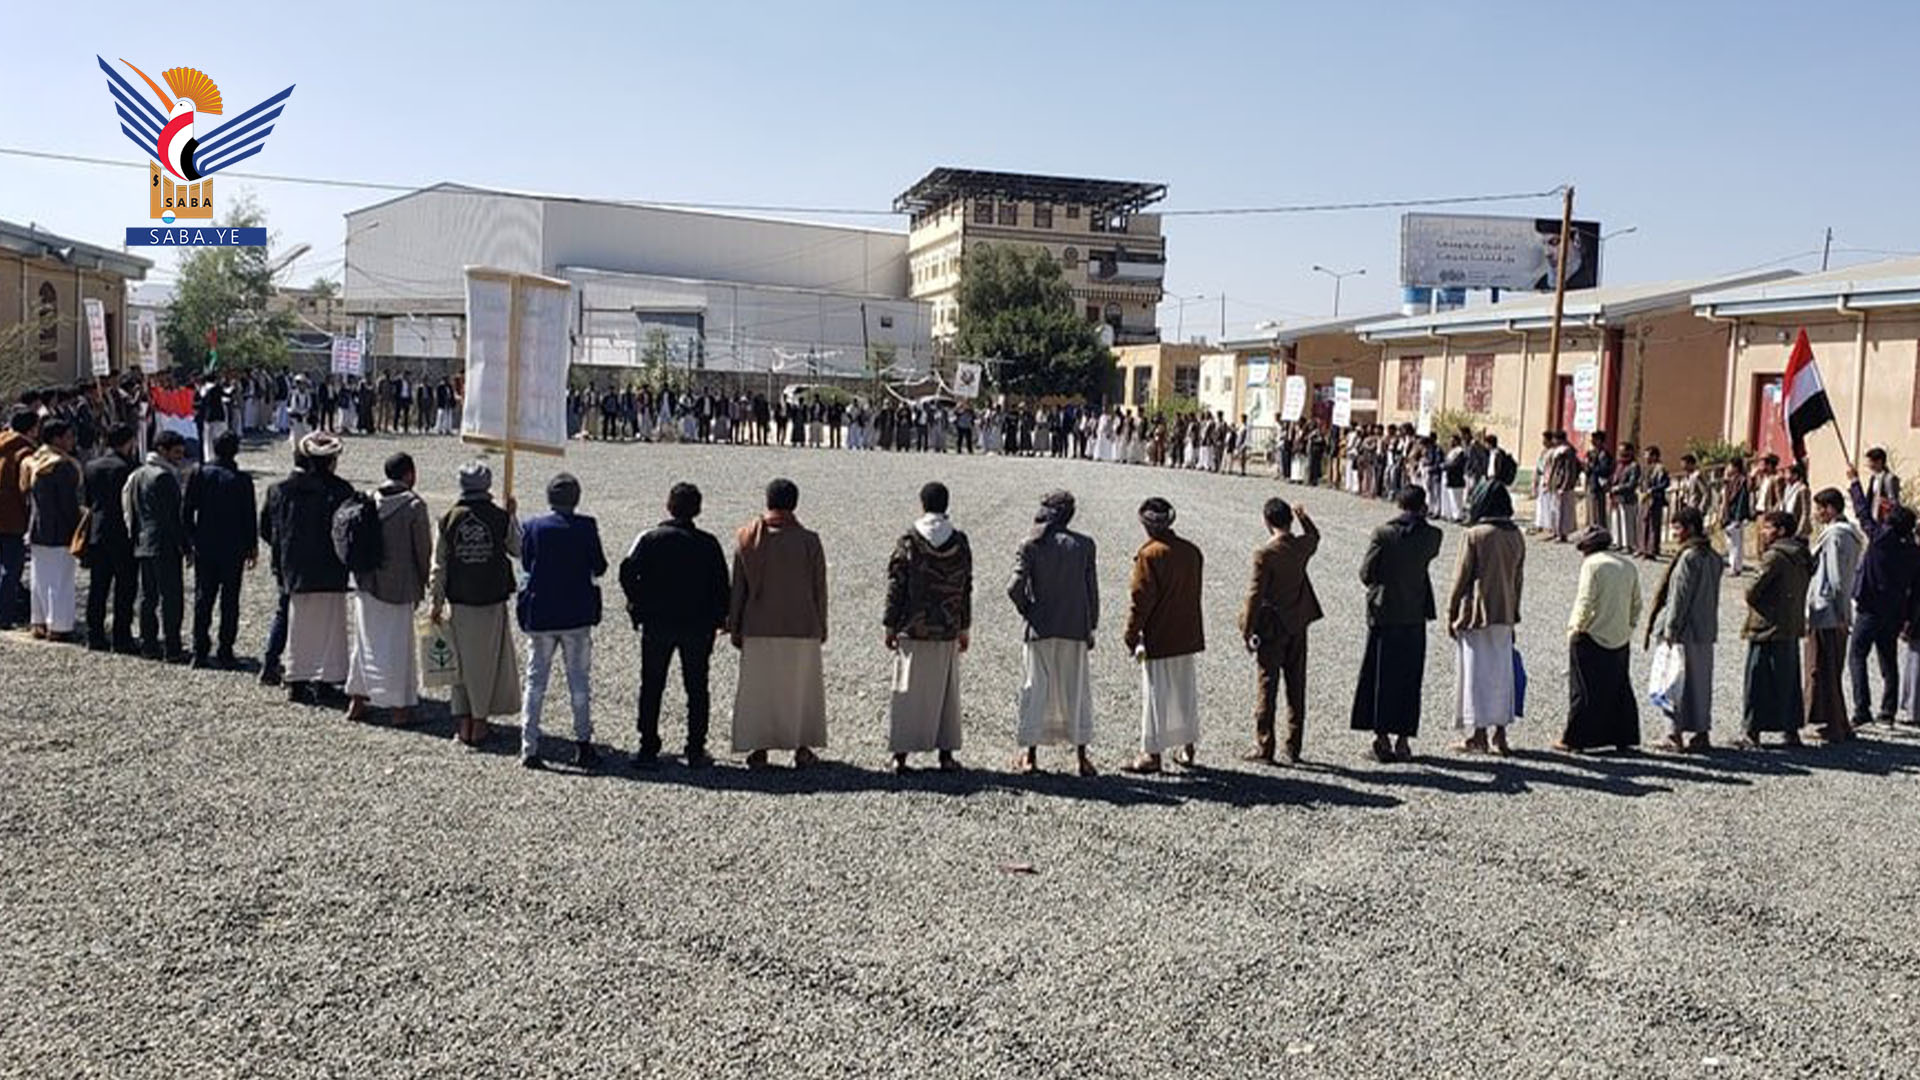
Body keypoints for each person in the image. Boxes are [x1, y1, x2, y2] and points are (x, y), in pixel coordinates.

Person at [622, 482, 730, 769]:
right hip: (697, 624)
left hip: (658, 622)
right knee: (697, 687)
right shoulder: (708, 543)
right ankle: (695, 748)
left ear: (669, 506)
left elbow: (627, 572)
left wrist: (637, 604)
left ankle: (647, 746)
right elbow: (722, 585)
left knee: (652, 684)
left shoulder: (650, 539)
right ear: (698, 510)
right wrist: (720, 617)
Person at [728, 478, 829, 769]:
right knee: (800, 690)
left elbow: (738, 588)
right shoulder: (809, 541)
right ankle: (802, 748)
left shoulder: (748, 538)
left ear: (768, 501)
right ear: (794, 504)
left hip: (758, 625)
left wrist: (735, 625)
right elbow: (819, 588)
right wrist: (821, 625)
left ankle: (759, 749)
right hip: (802, 625)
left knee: (760, 690)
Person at [517, 473, 607, 770]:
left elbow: (526, 562)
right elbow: (599, 566)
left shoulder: (532, 526)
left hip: (541, 612)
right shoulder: (586, 526)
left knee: (535, 681)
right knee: (578, 681)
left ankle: (529, 745)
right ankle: (583, 742)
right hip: (576, 613)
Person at [882, 481, 973, 774]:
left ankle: (901, 756)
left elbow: (896, 585)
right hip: (946, 626)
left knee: (907, 692)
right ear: (946, 505)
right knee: (946, 694)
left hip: (913, 626)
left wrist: (889, 624)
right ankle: (945, 755)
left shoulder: (909, 540)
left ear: (922, 504)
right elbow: (966, 586)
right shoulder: (959, 541)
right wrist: (964, 626)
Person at [1007, 491, 1100, 775]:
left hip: (1041, 628)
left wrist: (1028, 610)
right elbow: (1091, 590)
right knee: (1076, 690)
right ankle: (1081, 758)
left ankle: (1031, 755)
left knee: (1036, 689)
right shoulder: (1084, 545)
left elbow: (1014, 587)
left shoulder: (1031, 543)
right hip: (1075, 627)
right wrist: (1091, 626)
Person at [430, 462, 522, 749]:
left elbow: (439, 564)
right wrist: (512, 516)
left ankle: (464, 724)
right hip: (490, 600)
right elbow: (519, 548)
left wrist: (436, 600)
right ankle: (480, 724)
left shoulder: (448, 518)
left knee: (459, 664)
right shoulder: (499, 518)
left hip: (459, 601)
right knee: (485, 663)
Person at [1352, 487, 1443, 762]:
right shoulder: (1432, 536)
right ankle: (1403, 740)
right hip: (1414, 613)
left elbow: (1366, 573)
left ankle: (1381, 739)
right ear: (1423, 506)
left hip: (1386, 611)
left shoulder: (1383, 534)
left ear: (1399, 503)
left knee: (1380, 676)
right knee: (1409, 678)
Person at [344, 452, 433, 726]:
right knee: (397, 647)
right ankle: (399, 708)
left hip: (366, 583)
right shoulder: (414, 506)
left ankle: (357, 700)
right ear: (409, 474)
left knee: (365, 643)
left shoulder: (369, 499)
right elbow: (423, 549)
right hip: (399, 585)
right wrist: (427, 580)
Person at [1122, 497, 1205, 774]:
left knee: (1156, 695)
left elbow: (1140, 600)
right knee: (1184, 692)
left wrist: (1131, 634)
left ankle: (1152, 753)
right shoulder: (1192, 551)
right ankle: (1188, 747)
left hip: (1159, 634)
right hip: (1187, 632)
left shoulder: (1150, 555)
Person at [1238, 496, 1321, 764]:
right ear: (1289, 520)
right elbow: (1315, 536)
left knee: (1267, 684)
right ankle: (1293, 746)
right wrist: (1303, 517)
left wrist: (1247, 628)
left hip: (1272, 627)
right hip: (1297, 622)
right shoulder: (1300, 546)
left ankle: (1265, 745)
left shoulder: (1265, 554)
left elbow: (1254, 594)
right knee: (1296, 685)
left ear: (1266, 521)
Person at [275, 433, 355, 704]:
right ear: (332, 461)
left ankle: (297, 679)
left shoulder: (286, 489)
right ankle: (326, 681)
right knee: (331, 630)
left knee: (299, 627)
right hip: (331, 567)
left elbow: (272, 528)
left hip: (297, 567)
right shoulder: (342, 490)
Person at [1447, 482, 1525, 754]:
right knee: (1502, 674)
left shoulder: (1475, 534)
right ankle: (1500, 735)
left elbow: (1461, 578)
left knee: (1476, 674)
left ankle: (1478, 735)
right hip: (1505, 613)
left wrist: (1451, 612)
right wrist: (1514, 612)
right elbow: (1518, 580)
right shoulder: (1516, 535)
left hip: (1476, 614)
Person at [1845, 471, 1920, 732]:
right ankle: (1887, 712)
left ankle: (1862, 709)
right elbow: (1916, 589)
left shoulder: (1879, 540)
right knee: (1888, 661)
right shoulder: (1914, 552)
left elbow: (1863, 514)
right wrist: (1909, 618)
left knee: (1857, 656)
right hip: (1895, 611)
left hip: (1870, 608)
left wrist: (1854, 484)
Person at [1645, 507, 1725, 752]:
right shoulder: (1714, 557)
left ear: (1690, 528)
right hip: (1705, 629)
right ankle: (1701, 733)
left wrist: (1670, 629)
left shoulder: (1689, 557)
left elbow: (1679, 597)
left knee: (1672, 682)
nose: (1675, 533)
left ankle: (1673, 734)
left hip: (1683, 631)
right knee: (1700, 684)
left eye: (1678, 528)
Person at [1556, 527, 1642, 753]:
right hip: (1620, 635)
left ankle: (1575, 739)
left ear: (1587, 547)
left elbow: (1586, 601)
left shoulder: (1592, 565)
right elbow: (1636, 603)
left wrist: (1576, 628)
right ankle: (1623, 737)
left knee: (1584, 690)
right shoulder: (1628, 565)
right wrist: (1629, 626)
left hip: (1591, 634)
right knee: (1619, 688)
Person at [182, 430, 257, 668]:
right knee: (229, 600)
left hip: (205, 544)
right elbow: (249, 516)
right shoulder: (242, 480)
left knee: (203, 598)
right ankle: (225, 650)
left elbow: (186, 510)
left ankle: (199, 650)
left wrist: (191, 538)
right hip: (233, 547)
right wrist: (251, 546)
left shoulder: (200, 473)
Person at [1740, 510, 1813, 748]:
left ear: (1781, 531)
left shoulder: (1774, 557)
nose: (1763, 532)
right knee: (1788, 680)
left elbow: (1753, 591)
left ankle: (1752, 731)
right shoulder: (1802, 556)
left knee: (1757, 679)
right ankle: (1790, 730)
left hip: (1767, 625)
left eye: (1768, 527)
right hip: (1790, 624)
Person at [124, 429, 191, 661]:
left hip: (143, 541)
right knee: (171, 598)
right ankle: (172, 647)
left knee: (148, 596)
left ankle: (149, 643)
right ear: (162, 450)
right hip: (164, 543)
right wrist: (185, 545)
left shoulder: (139, 473)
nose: (180, 458)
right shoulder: (164, 477)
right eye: (176, 453)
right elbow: (173, 517)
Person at [1804, 488, 1862, 742]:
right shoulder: (1849, 534)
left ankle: (1836, 725)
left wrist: (1839, 613)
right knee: (1830, 669)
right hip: (1835, 609)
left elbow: (1835, 576)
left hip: (1827, 611)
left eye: (1819, 508)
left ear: (1829, 509)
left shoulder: (1835, 536)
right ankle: (1837, 722)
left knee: (1823, 669)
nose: (1817, 513)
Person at [21, 418, 83, 642]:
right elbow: (68, 503)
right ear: (57, 439)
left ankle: (38, 622)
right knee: (61, 580)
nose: (72, 441)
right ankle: (58, 626)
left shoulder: (33, 461)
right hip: (60, 530)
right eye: (68, 436)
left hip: (37, 527)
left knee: (40, 579)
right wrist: (78, 524)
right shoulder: (61, 465)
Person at [81, 424, 139, 653]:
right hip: (123, 533)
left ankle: (94, 634)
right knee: (125, 587)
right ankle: (121, 636)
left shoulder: (91, 466)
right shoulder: (129, 468)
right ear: (128, 442)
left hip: (98, 531)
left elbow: (88, 500)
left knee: (98, 586)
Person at [0, 408, 39, 630]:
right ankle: (4, 615)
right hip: (13, 516)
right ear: (32, 429)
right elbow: (26, 487)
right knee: (11, 567)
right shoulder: (24, 452)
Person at [1720, 459, 1754, 576]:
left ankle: (1735, 567)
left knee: (1736, 542)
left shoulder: (1741, 481)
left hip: (1735, 515)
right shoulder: (1730, 481)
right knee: (1730, 542)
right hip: (1729, 514)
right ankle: (1733, 565)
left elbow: (1741, 500)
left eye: (1730, 466)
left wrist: (1738, 517)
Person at [1637, 446, 1670, 559]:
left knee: (1653, 525)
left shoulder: (1660, 469)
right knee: (1643, 523)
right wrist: (1640, 491)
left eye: (1648, 455)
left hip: (1655, 499)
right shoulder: (1646, 468)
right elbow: (1641, 482)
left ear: (1654, 456)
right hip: (1644, 498)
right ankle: (1642, 548)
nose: (1645, 457)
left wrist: (1652, 490)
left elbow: (1665, 483)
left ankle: (1652, 550)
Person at [1863, 447, 1902, 523]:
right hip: (1873, 517)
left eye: (1871, 461)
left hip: (1884, 518)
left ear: (1879, 461)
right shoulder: (1873, 478)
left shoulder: (1890, 478)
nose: (1869, 464)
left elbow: (1893, 501)